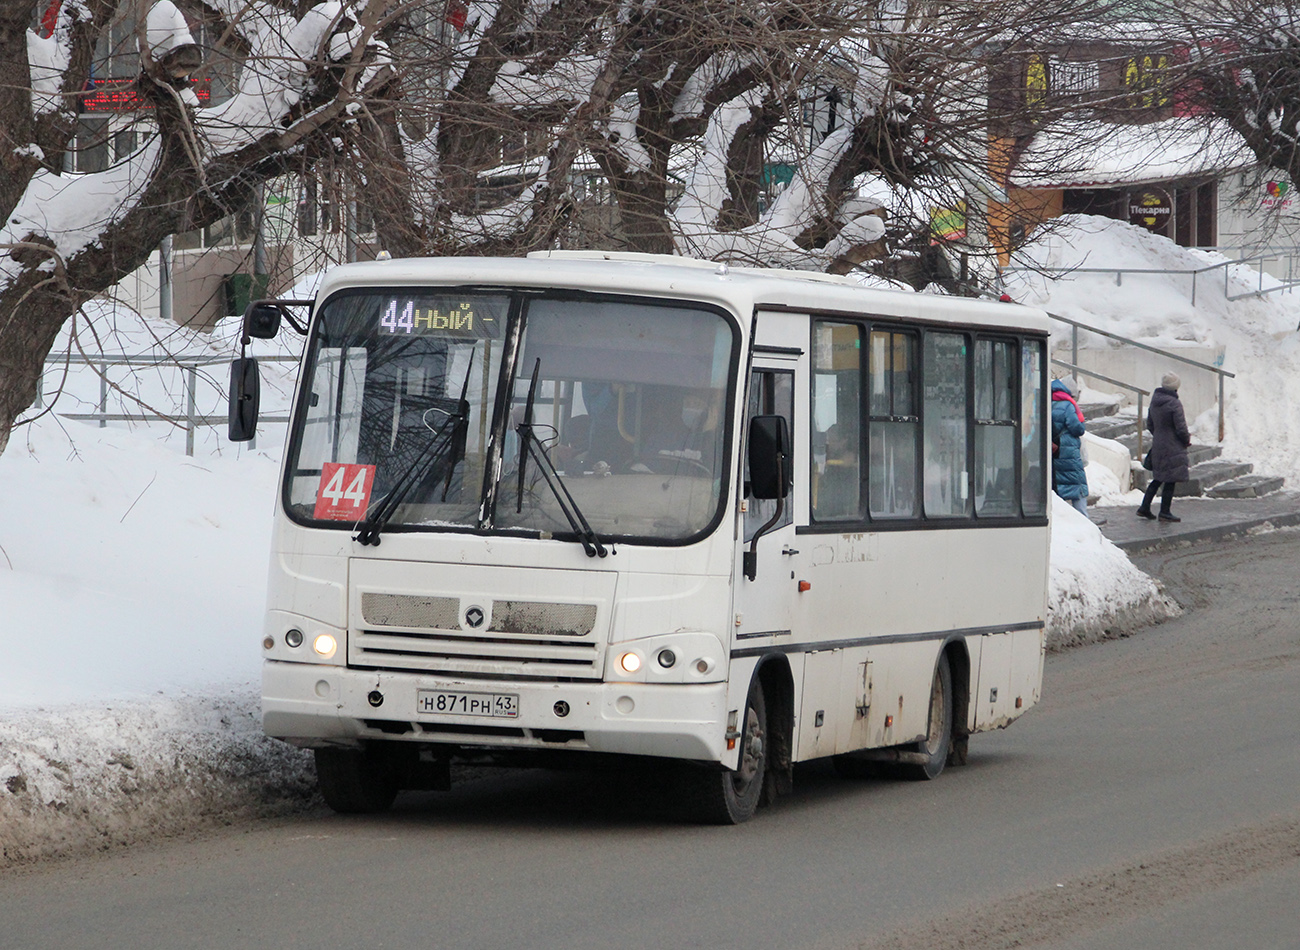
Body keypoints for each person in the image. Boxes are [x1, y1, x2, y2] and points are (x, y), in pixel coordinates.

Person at [1137, 371, 1192, 522]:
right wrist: (1186, 440)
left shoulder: (1155, 401)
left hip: (1158, 444)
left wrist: (1160, 436)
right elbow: (1181, 427)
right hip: (1172, 444)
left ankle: (1145, 507)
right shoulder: (1174, 403)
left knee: (1158, 477)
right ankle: (1165, 512)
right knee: (1170, 479)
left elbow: (1150, 424)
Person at [1050, 377, 1090, 517]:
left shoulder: (1048, 401)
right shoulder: (1068, 405)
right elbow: (1077, 428)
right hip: (1068, 450)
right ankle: (1084, 520)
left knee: (1058, 484)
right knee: (1077, 486)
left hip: (1055, 451)